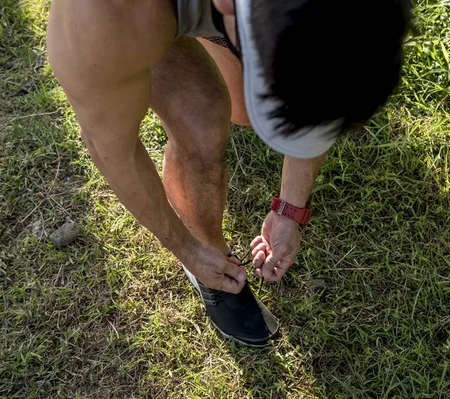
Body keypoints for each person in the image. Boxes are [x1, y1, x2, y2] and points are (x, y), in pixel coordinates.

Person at [46, 0, 413, 347]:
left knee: (243, 109)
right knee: (202, 120)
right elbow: (113, 151)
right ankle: (210, 253)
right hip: (139, 18)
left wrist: (290, 209)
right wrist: (187, 250)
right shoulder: (104, 21)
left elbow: (331, 83)